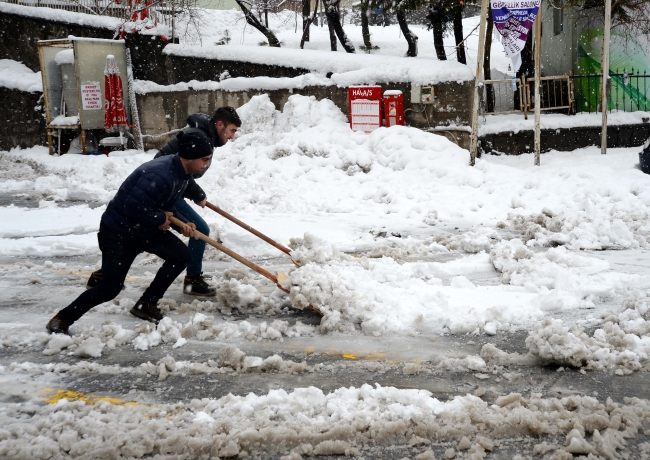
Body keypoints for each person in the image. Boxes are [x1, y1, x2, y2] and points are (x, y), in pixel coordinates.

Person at [45, 128, 214, 335]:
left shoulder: (182, 174)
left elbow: (169, 207)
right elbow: (133, 209)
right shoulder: (161, 174)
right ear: (189, 157)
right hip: (120, 231)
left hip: (144, 228)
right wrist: (161, 218)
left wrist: (185, 225)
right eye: (204, 160)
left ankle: (147, 303)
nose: (207, 165)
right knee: (110, 288)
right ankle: (62, 318)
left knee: (181, 256)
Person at [86, 106, 242, 296]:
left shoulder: (203, 135)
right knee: (199, 230)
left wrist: (195, 193)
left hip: (170, 189)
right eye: (232, 130)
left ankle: (105, 274)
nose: (232, 136)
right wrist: (196, 194)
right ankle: (192, 280)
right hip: (163, 191)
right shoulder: (198, 137)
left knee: (141, 240)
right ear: (219, 125)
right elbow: (175, 167)